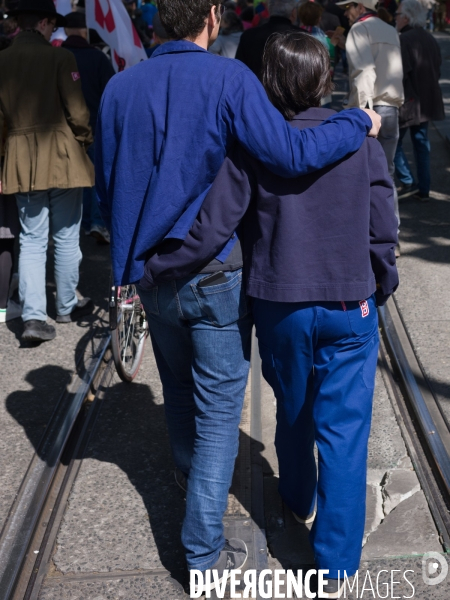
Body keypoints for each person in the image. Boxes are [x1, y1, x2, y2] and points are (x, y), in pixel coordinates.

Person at [96, 0, 381, 589]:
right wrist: (358, 121)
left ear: (156, 21)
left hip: (150, 272)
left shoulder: (119, 88)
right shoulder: (229, 78)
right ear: (214, 15)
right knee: (222, 407)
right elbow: (290, 154)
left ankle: (188, 475)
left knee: (177, 383)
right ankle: (203, 551)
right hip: (216, 271)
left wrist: (135, 262)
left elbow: (108, 180)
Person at [0, 0, 94, 342]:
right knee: (67, 235)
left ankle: (33, 318)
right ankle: (66, 306)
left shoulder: (2, 61)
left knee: (31, 239)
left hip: (21, 158)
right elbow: (78, 113)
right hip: (63, 154)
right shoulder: (60, 57)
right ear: (42, 23)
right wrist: (84, 140)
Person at [335, 0, 403, 255]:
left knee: (364, 177)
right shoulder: (388, 28)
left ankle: (371, 236)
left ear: (359, 7)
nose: (345, 12)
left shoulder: (359, 30)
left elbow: (364, 72)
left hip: (371, 108)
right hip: (392, 106)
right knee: (387, 174)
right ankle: (391, 234)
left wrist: (363, 111)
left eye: (347, 7)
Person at [62, 11, 115, 244]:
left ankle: (76, 223)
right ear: (86, 30)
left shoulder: (57, 57)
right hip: (94, 126)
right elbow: (111, 93)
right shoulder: (98, 58)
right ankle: (95, 222)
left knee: (71, 179)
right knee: (94, 177)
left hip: (61, 129)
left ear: (65, 30)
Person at [394, 0, 445, 201]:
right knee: (421, 144)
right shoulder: (429, 38)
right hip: (427, 99)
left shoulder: (404, 39)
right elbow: (438, 67)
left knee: (394, 143)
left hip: (410, 100)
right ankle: (423, 187)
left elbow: (400, 73)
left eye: (398, 15)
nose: (395, 18)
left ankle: (408, 181)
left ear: (406, 17)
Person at [235, 0, 299, 77]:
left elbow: (239, 69)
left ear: (269, 10)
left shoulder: (248, 36)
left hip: (255, 86)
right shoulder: (302, 37)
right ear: (293, 12)